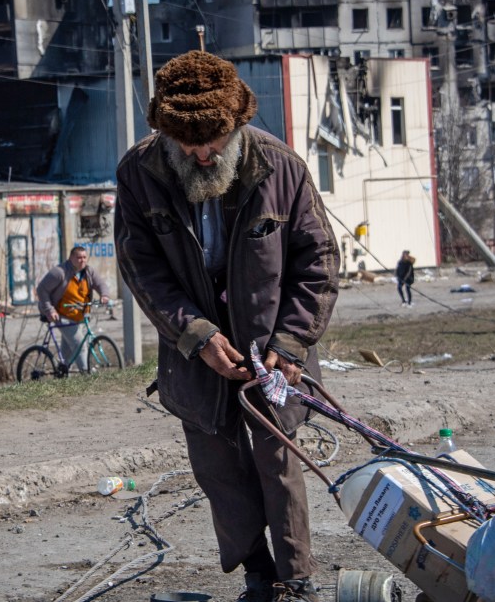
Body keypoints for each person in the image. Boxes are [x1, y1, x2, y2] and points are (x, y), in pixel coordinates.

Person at [114, 50, 340, 602]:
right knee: (218, 465)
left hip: (273, 350)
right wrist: (196, 336)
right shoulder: (139, 174)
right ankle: (258, 577)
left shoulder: (281, 167)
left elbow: (319, 263)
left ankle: (297, 580)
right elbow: (140, 268)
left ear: (237, 125)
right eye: (190, 147)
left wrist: (289, 344)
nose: (204, 155)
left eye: (215, 142)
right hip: (195, 350)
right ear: (166, 134)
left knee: (278, 460)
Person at [35, 246, 111, 372]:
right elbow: (41, 289)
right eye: (79, 257)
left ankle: (62, 374)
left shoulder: (88, 272)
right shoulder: (60, 272)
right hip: (62, 315)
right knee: (79, 344)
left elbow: (100, 283)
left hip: (80, 316)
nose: (82, 260)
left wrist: (104, 295)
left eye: (84, 257)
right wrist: (50, 310)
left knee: (69, 350)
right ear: (71, 258)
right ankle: (87, 375)